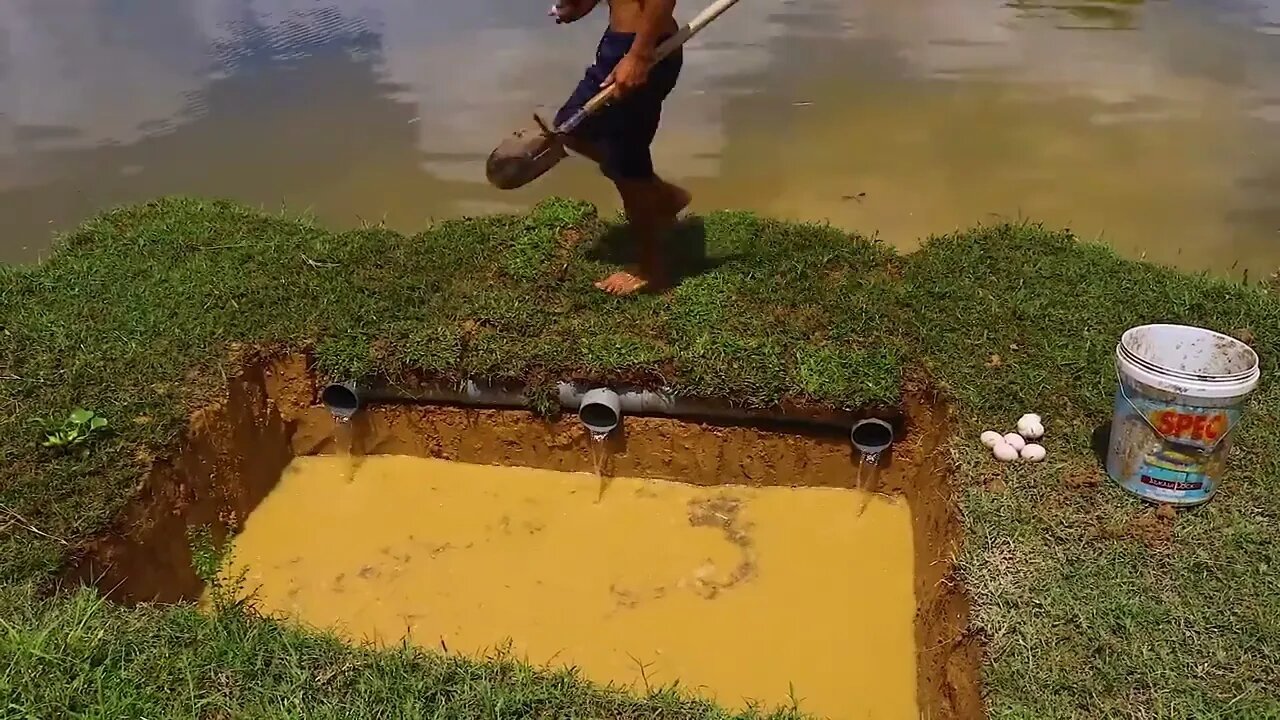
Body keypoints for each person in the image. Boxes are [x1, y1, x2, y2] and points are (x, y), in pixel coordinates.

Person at [550, 0, 691, 295]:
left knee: (628, 162)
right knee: (572, 128)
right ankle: (662, 195)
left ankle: (651, 269)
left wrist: (639, 55)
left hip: (642, 48)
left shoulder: (640, 51)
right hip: (620, 43)